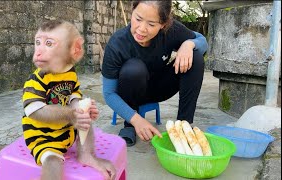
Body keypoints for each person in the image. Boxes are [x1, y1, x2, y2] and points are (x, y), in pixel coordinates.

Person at [102, 0, 208, 147]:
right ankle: (129, 126)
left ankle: (184, 126)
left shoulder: (172, 30)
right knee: (134, 69)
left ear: (163, 24)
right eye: (138, 19)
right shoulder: (117, 44)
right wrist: (136, 119)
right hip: (131, 92)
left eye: (151, 24)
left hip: (160, 88)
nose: (141, 29)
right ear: (132, 11)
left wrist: (188, 44)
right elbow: (109, 94)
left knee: (195, 56)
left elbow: (202, 40)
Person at [22, 19, 115, 180]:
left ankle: (87, 155)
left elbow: (73, 97)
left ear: (75, 50)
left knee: (84, 120)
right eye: (38, 42)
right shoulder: (37, 79)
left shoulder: (70, 73)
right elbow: (34, 111)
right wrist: (71, 115)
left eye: (49, 43)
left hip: (66, 131)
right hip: (44, 138)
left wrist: (82, 109)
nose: (38, 51)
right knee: (53, 163)